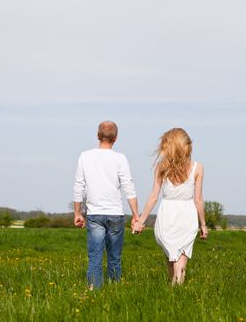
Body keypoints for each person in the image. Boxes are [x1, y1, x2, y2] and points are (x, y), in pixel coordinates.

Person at [133, 128, 208, 285]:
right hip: (187, 214)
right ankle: (177, 289)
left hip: (168, 213)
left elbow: (154, 196)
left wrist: (141, 220)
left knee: (171, 257)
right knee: (181, 258)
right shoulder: (197, 167)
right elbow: (198, 200)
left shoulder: (161, 167)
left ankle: (174, 288)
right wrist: (203, 224)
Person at [73, 121, 141, 289]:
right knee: (114, 257)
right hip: (116, 214)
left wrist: (77, 213)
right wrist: (136, 215)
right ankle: (114, 289)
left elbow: (78, 186)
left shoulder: (85, 156)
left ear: (98, 135)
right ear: (115, 138)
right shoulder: (120, 158)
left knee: (95, 256)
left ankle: (94, 290)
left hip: (95, 214)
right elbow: (128, 187)